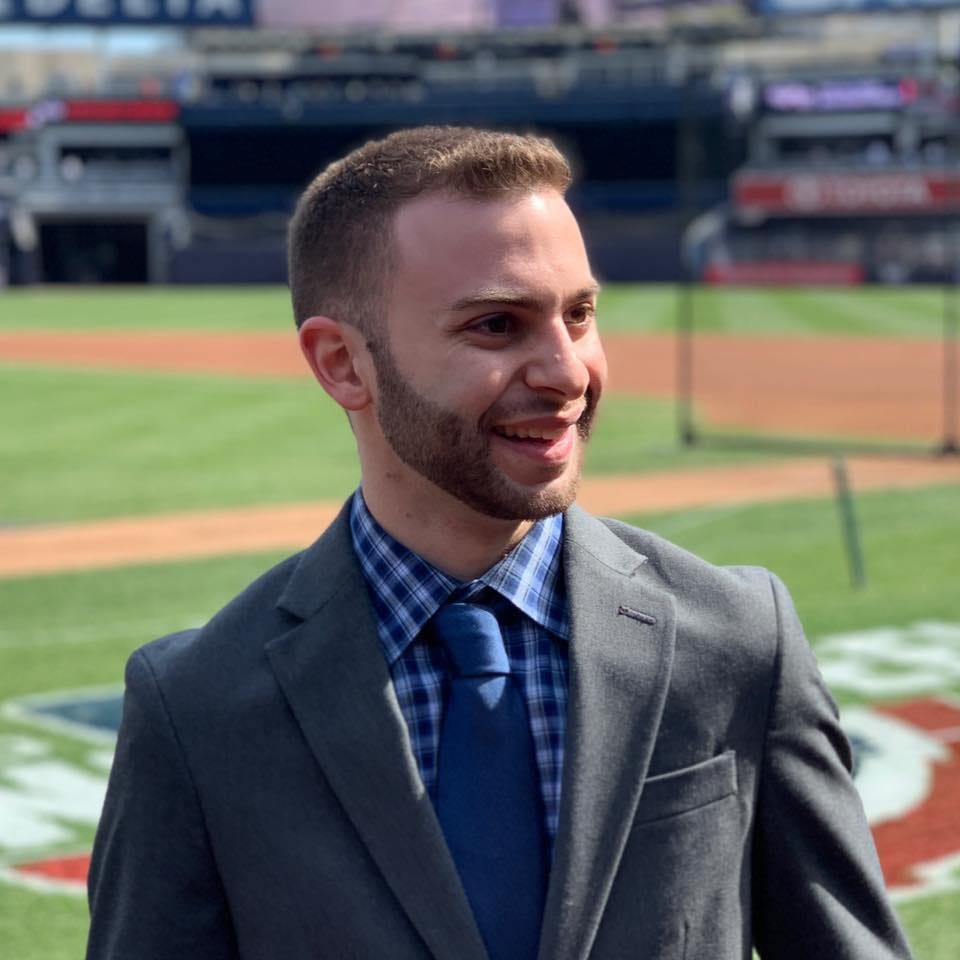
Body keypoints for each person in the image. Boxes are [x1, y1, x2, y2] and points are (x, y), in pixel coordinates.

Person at [86, 126, 913, 960]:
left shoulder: (738, 641)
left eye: (580, 315)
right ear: (342, 363)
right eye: (496, 325)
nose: (568, 371)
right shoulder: (196, 709)